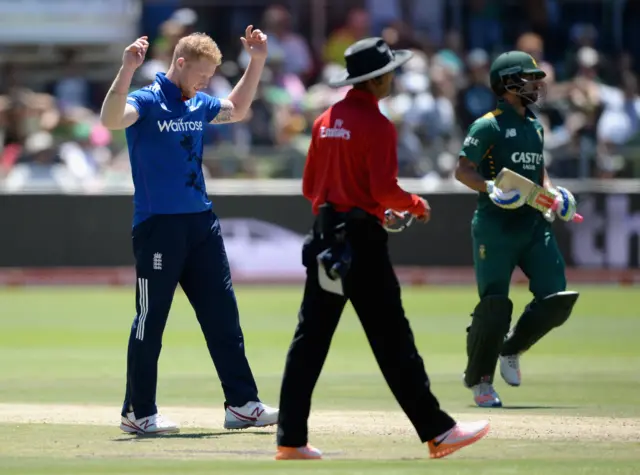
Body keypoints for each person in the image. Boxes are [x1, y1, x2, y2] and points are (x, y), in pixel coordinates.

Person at [274, 37, 490, 461]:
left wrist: (371, 210)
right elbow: (382, 188)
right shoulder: (377, 125)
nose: (393, 77)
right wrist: (414, 205)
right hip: (361, 247)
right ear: (376, 80)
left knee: (309, 340)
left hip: (325, 240)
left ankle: (290, 439)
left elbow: (310, 188)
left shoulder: (324, 121)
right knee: (393, 340)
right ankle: (439, 432)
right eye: (389, 72)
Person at [99, 28, 279, 435]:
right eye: (202, 74)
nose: (205, 82)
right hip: (158, 227)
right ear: (180, 63)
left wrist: (257, 60)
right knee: (151, 321)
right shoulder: (146, 100)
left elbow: (237, 108)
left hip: (202, 224)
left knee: (223, 316)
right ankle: (138, 412)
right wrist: (127, 68)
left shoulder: (197, 102)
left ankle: (242, 404)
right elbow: (111, 119)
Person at [454, 51, 581, 408]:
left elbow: (539, 174)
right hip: (495, 227)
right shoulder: (487, 125)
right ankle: (481, 382)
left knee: (557, 299)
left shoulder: (536, 126)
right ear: (508, 83)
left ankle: (510, 349)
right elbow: (463, 170)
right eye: (529, 78)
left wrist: (555, 196)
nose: (537, 85)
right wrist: (490, 187)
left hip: (533, 224)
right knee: (494, 305)